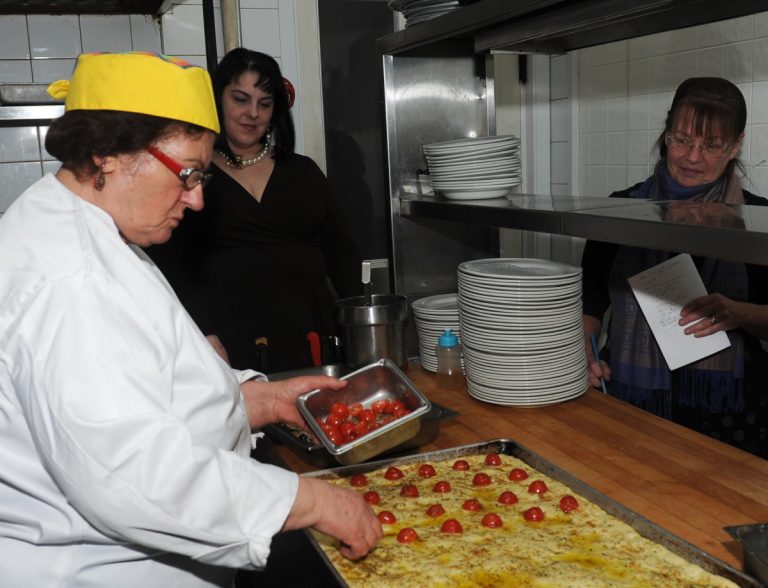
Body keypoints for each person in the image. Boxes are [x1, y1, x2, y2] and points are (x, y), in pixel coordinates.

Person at [0, 51, 381, 588]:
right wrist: (310, 500)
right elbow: (133, 475)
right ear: (107, 154)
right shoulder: (71, 277)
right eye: (187, 173)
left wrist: (256, 401)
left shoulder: (93, 230)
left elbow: (144, 388)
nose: (197, 198)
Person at [581, 76, 768, 459]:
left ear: (736, 145)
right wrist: (583, 352)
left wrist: (739, 313)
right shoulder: (620, 209)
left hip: (730, 413)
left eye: (711, 145)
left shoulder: (758, 219)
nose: (692, 157)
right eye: (682, 140)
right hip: (631, 398)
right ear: (666, 134)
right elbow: (591, 301)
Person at [146, 48, 363, 373]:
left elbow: (342, 253)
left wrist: (361, 323)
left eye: (264, 103)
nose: (252, 113)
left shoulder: (303, 171)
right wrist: (203, 333)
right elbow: (168, 265)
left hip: (312, 340)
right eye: (240, 99)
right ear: (217, 100)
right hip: (227, 344)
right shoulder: (191, 176)